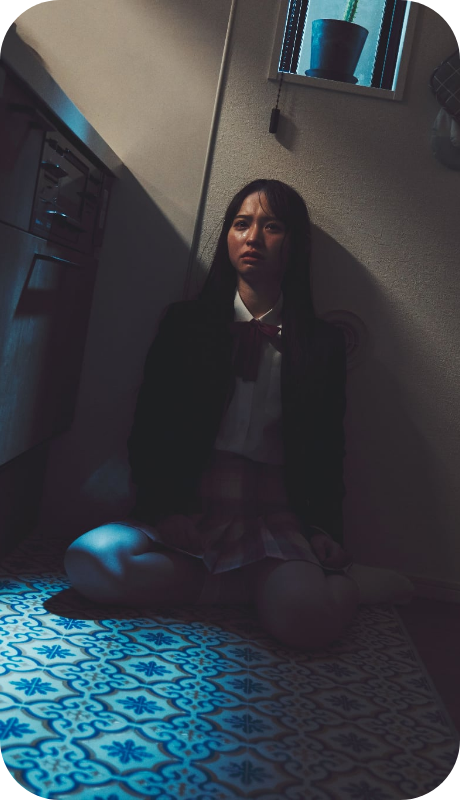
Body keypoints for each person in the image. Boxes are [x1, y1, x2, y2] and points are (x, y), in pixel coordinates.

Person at [64, 179, 413, 651]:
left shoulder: (321, 343)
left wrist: (325, 531)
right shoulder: (186, 324)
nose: (253, 238)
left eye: (272, 226)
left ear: (295, 243)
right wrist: (166, 508)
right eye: (241, 224)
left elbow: (328, 447)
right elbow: (148, 428)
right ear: (227, 236)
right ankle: (252, 589)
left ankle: (335, 583)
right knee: (89, 560)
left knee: (308, 623)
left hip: (274, 515)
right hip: (191, 506)